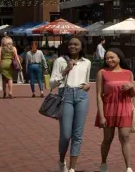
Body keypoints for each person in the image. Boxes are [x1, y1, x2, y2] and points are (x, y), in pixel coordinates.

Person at [51, 36, 94, 172]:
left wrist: (88, 85)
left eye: (76, 44)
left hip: (81, 96)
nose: (72, 46)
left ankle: (72, 168)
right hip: (65, 95)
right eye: (70, 44)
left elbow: (86, 80)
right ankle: (62, 159)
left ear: (81, 47)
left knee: (77, 134)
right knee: (65, 134)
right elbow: (51, 83)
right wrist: (66, 70)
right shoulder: (60, 61)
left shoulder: (86, 62)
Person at [96, 48, 135, 172]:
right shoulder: (102, 72)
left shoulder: (128, 73)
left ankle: (128, 167)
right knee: (107, 139)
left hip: (124, 107)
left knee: (125, 137)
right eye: (107, 58)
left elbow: (132, 95)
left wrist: (131, 88)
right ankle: (103, 163)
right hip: (108, 108)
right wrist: (101, 116)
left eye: (112, 57)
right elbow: (98, 95)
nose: (109, 60)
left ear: (119, 58)